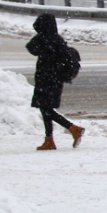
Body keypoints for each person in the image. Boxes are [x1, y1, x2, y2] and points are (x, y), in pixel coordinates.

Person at [26, 13, 84, 151]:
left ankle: (73, 129)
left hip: (46, 79)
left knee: (45, 109)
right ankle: (49, 140)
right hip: (55, 80)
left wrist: (40, 34)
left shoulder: (45, 39)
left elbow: (30, 47)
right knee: (46, 109)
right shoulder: (58, 40)